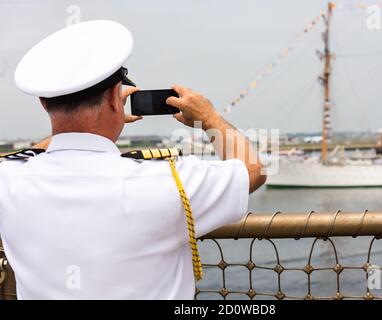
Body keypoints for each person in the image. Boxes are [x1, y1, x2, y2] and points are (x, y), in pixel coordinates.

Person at [0, 20, 266, 299]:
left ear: (44, 102)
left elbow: (45, 151)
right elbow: (253, 169)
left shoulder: (9, 182)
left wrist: (90, 126)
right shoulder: (169, 183)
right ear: (116, 100)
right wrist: (209, 117)